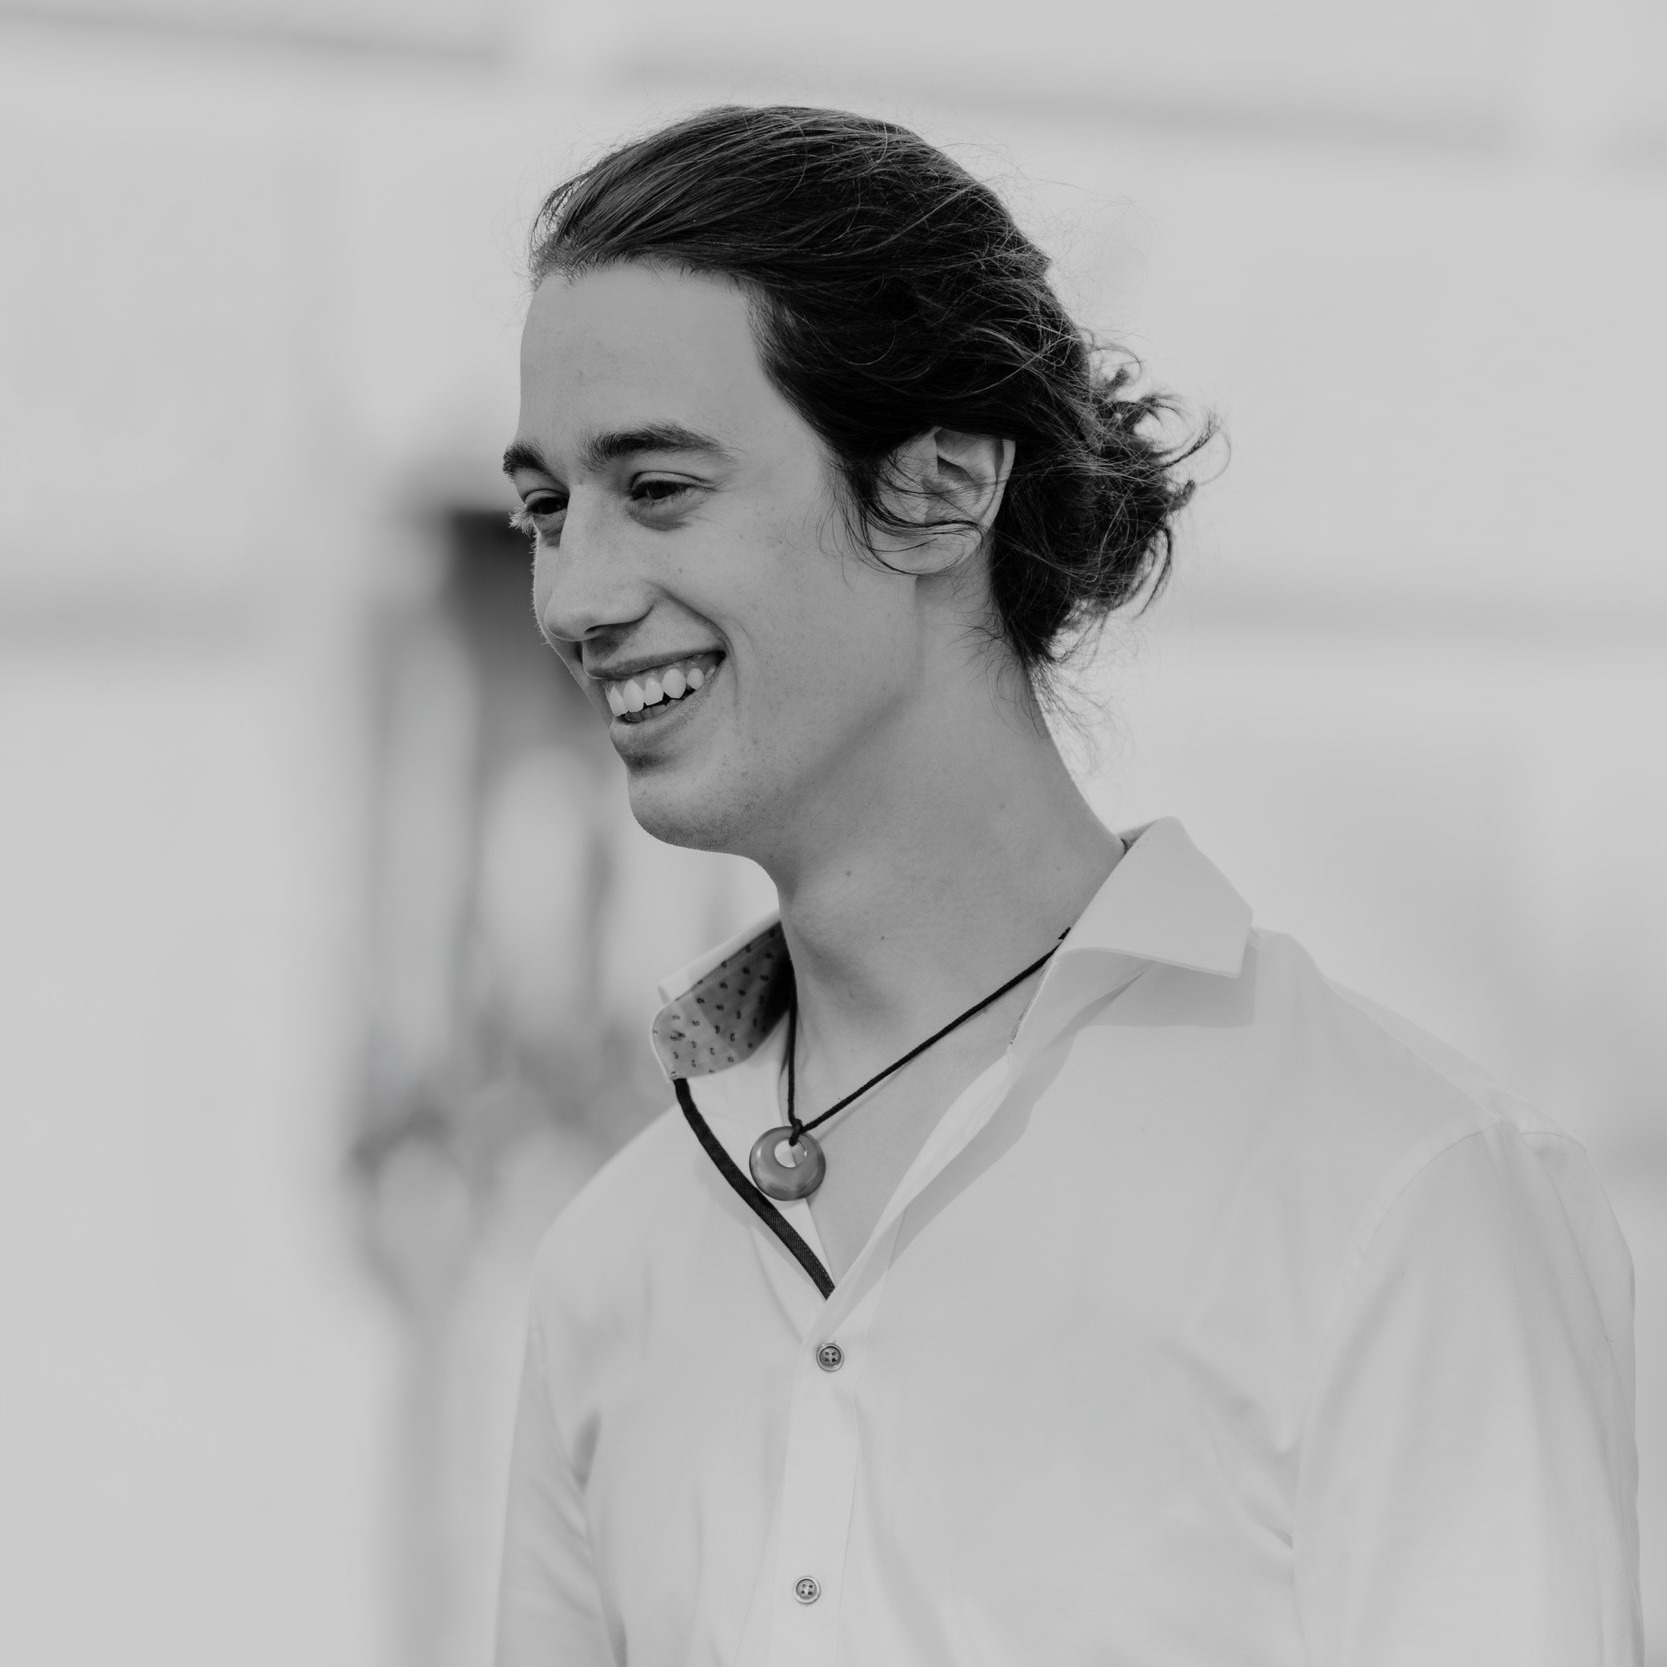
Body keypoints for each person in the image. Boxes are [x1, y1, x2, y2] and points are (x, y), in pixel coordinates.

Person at [493, 105, 1640, 1666]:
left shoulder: (1397, 1185)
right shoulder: (612, 1260)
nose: (575, 594)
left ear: (941, 489)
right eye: (545, 508)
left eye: (660, 488)